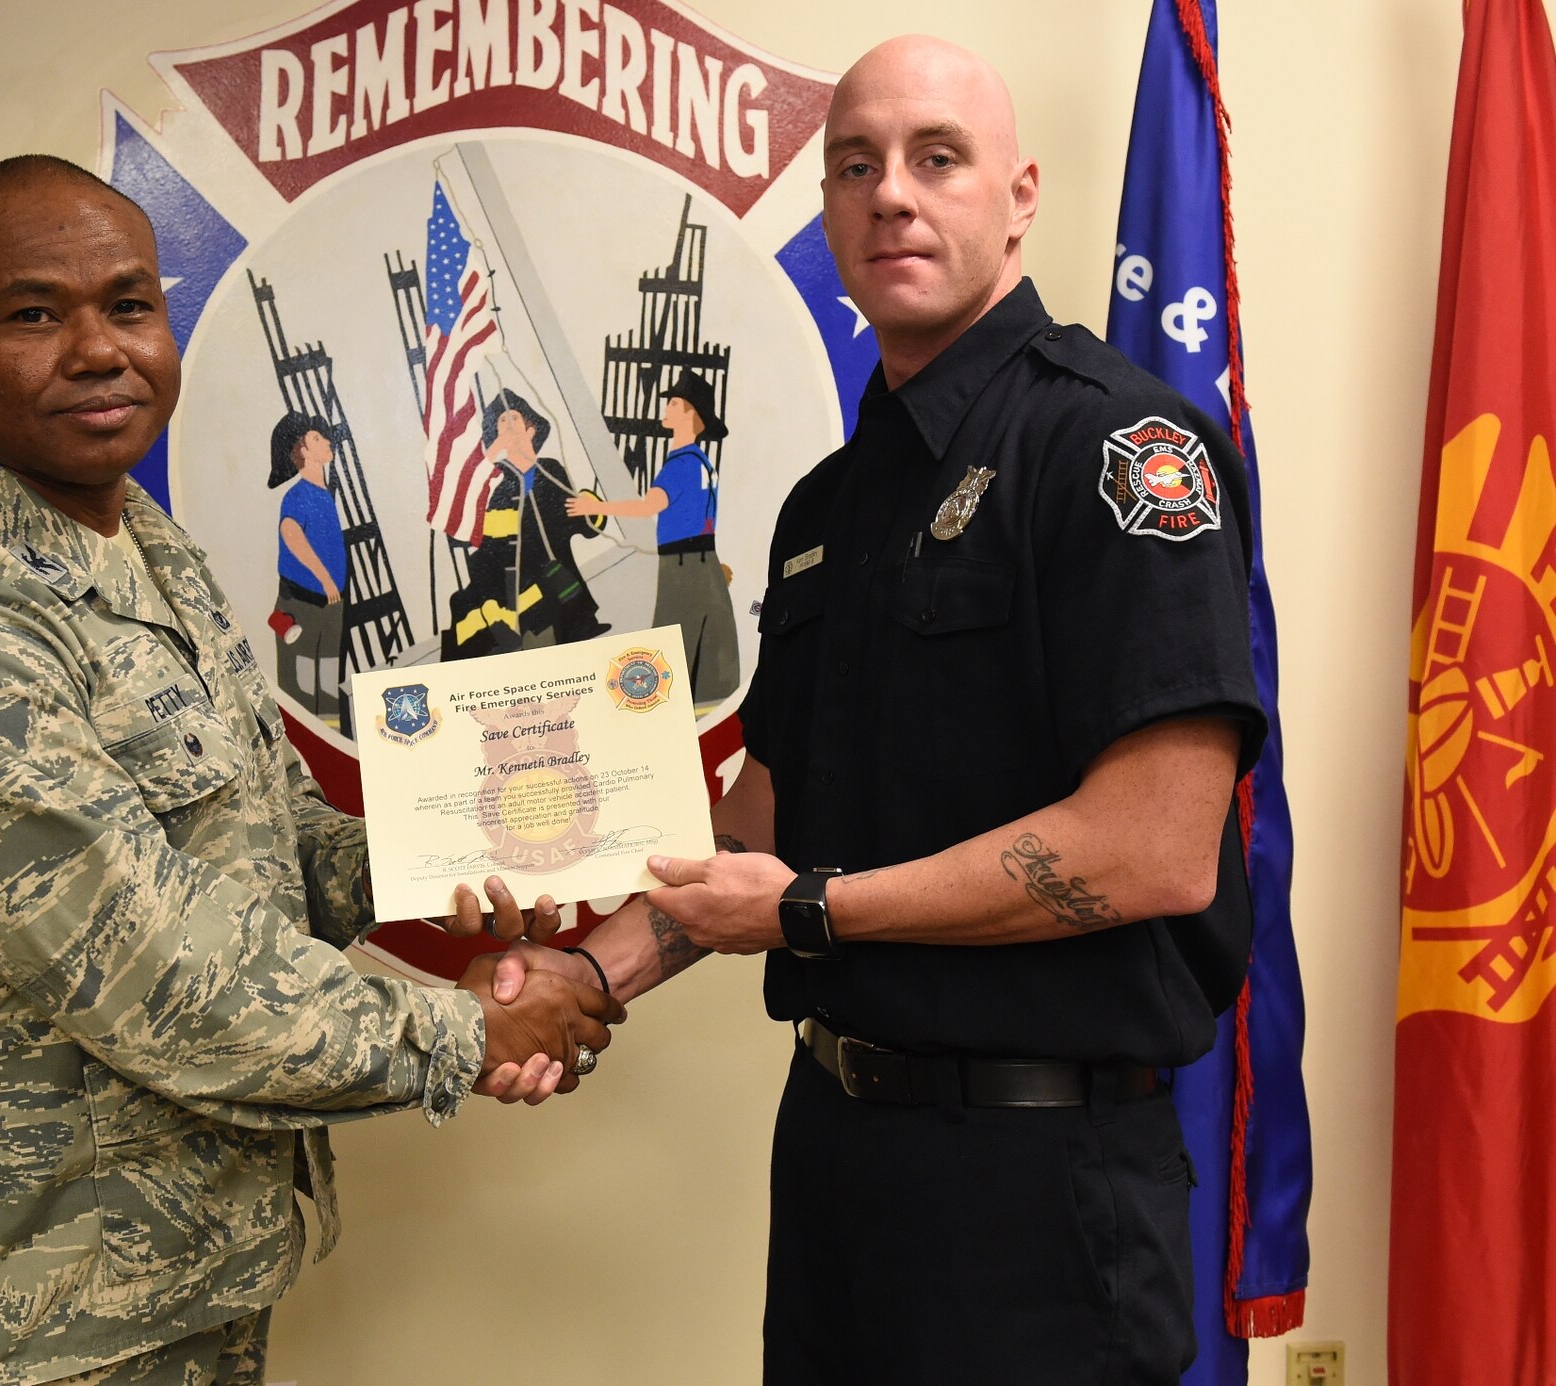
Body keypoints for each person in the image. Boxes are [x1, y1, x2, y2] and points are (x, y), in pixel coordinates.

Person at [493, 35, 1265, 1385]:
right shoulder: (828, 509)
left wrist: (810, 910)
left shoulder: (1115, 452)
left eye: (935, 158)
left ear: (1018, 195)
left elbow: (1155, 843)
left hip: (1043, 1184)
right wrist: (580, 971)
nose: (890, 195)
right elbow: (766, 817)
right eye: (855, 166)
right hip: (844, 1153)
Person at [0, 155, 621, 1386]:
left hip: (179, 1277)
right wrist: (469, 1032)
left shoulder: (141, 542)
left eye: (127, 306)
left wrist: (460, 842)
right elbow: (156, 967)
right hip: (13, 1320)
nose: (97, 350)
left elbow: (268, 837)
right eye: (33, 313)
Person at [566, 371, 740, 706]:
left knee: (674, 642)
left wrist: (595, 505)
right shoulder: (701, 462)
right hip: (702, 560)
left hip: (682, 566)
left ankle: (663, 710)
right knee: (709, 638)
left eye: (675, 402)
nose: (668, 407)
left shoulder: (681, 464)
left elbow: (649, 506)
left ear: (691, 415)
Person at [444, 389, 608, 658]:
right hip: (507, 570)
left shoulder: (551, 470)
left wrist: (590, 507)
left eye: (514, 419)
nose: (508, 425)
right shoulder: (494, 482)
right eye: (502, 422)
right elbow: (477, 531)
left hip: (550, 567)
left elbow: (578, 522)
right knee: (465, 603)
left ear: (531, 429)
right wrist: (492, 454)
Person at [266, 411, 345, 720]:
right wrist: (325, 578)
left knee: (328, 678)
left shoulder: (324, 495)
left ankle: (332, 737)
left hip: (330, 604)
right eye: (317, 438)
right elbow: (291, 532)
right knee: (300, 684)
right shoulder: (299, 496)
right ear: (301, 450)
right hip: (302, 605)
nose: (327, 442)